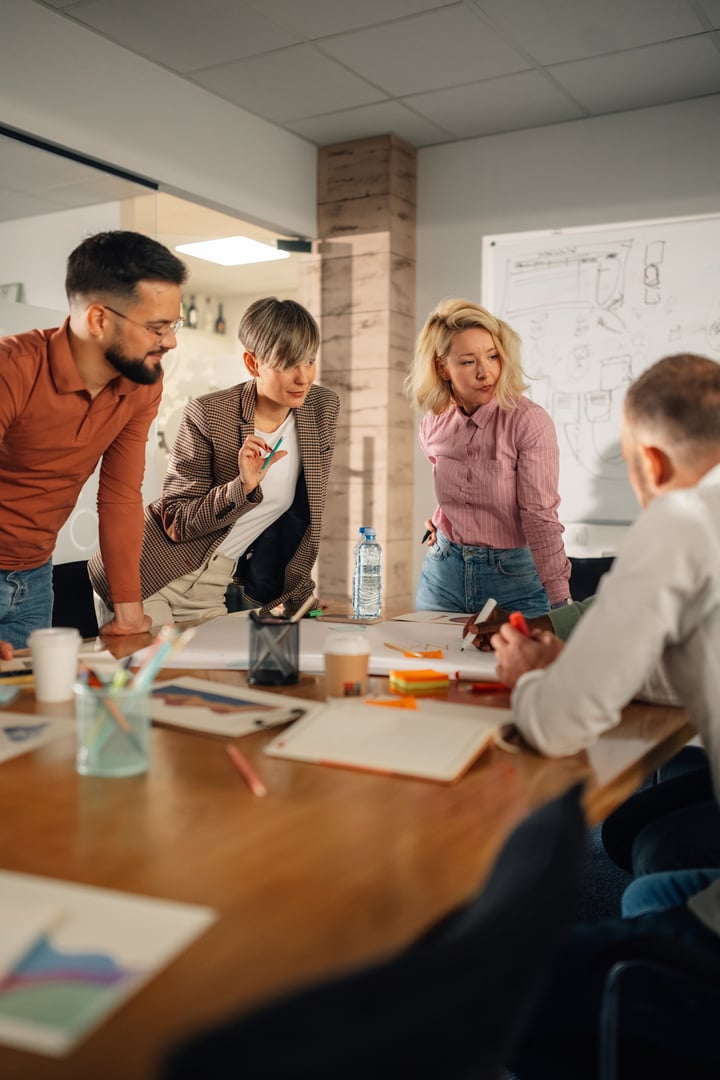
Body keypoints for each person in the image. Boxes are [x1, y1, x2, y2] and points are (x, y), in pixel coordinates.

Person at [485, 353, 720, 1077]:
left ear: (651, 462)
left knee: (486, 997)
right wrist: (588, 663)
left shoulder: (685, 518)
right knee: (647, 890)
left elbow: (558, 726)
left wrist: (534, 677)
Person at [89, 297, 339, 625]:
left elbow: (300, 519)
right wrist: (241, 488)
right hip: (146, 574)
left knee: (221, 659)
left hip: (213, 586)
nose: (303, 377)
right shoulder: (209, 413)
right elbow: (176, 519)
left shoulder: (321, 410)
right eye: (287, 364)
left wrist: (301, 598)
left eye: (309, 360)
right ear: (252, 363)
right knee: (159, 660)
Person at [0, 230, 187, 652]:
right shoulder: (11, 370)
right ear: (100, 320)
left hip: (35, 575)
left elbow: (121, 495)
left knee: (28, 693)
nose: (171, 341)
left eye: (173, 325)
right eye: (156, 327)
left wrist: (128, 608)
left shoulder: (143, 383)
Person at [406, 298, 570, 618]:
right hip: (443, 574)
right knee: (424, 652)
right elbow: (455, 482)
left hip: (515, 580)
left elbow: (540, 515)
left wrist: (561, 601)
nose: (486, 372)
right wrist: (443, 518)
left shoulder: (528, 421)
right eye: (468, 362)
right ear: (442, 368)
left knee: (523, 654)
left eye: (493, 356)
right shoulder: (434, 423)